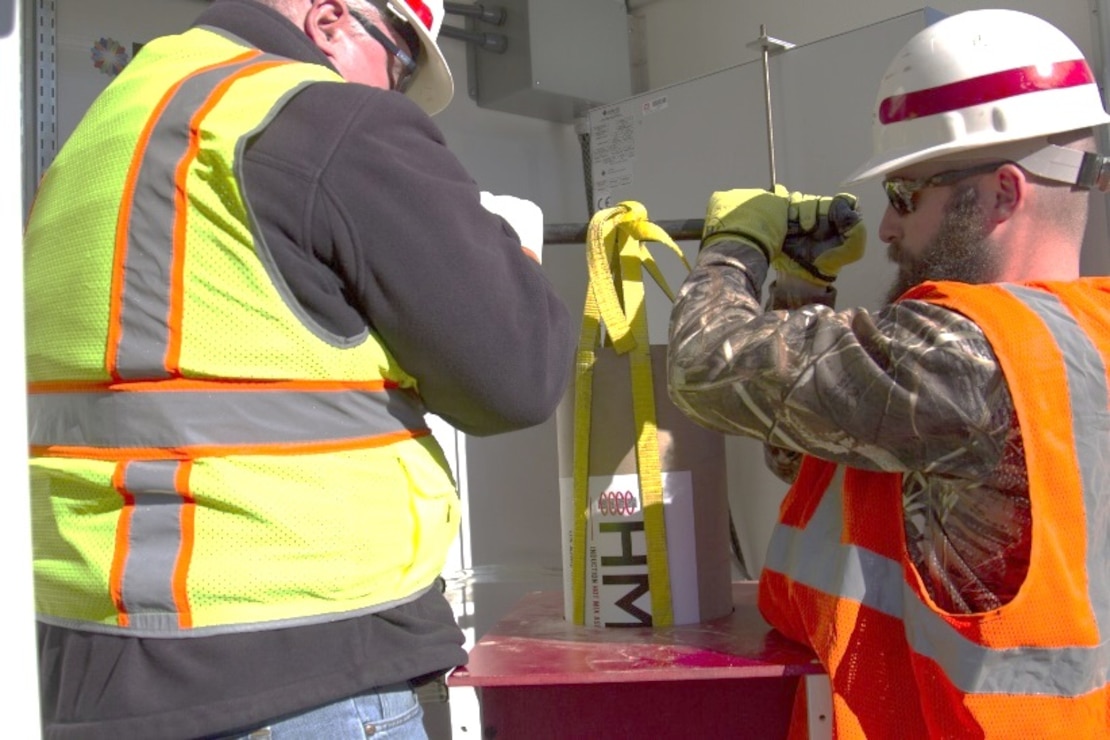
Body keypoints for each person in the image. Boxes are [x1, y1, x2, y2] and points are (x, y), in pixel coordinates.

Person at [24, 0, 575, 737]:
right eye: (401, 63)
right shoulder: (322, 118)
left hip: (85, 665)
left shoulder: (108, 129)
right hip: (298, 665)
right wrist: (511, 253)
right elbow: (518, 375)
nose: (394, 92)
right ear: (330, 22)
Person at [667, 9, 1110, 738]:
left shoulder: (964, 359)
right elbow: (824, 448)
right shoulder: (1068, 345)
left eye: (907, 194)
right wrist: (804, 281)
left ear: (1004, 192)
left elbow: (703, 364)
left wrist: (735, 248)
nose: (889, 228)